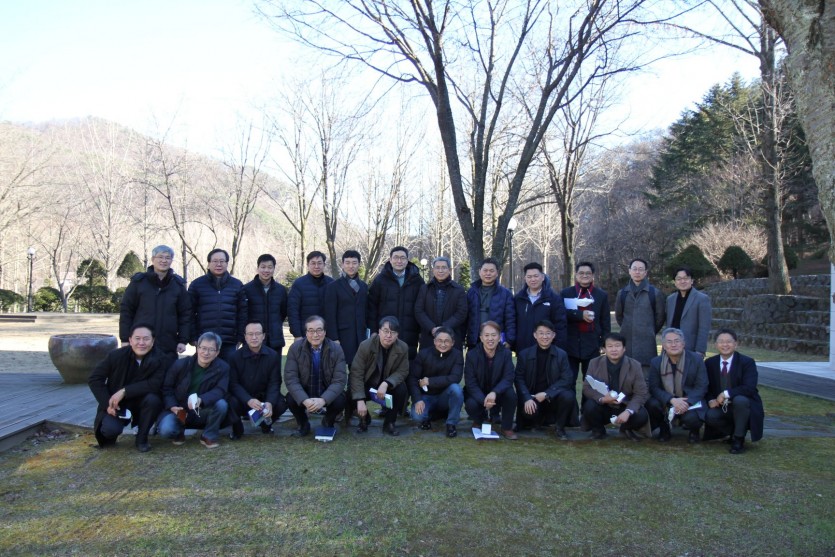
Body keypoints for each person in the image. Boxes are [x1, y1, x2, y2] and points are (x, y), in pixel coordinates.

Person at [88, 324, 164, 452]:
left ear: (153, 341)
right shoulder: (116, 356)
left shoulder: (161, 358)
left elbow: (155, 383)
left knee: (154, 400)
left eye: (146, 339)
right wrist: (107, 403)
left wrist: (125, 391)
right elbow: (95, 379)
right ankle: (111, 434)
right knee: (109, 430)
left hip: (143, 402)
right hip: (118, 404)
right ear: (130, 340)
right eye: (137, 338)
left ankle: (142, 438)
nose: (141, 343)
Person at [119, 245, 192, 370]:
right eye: (160, 257)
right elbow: (126, 311)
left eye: (167, 258)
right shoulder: (138, 282)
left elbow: (185, 314)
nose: (164, 261)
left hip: (168, 342)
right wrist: (125, 339)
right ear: (153, 259)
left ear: (171, 261)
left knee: (168, 376)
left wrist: (183, 340)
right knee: (140, 375)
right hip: (142, 342)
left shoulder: (178, 285)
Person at [157, 332, 230, 449]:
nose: (206, 353)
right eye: (203, 348)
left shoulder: (223, 368)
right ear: (197, 348)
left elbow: (220, 390)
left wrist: (202, 400)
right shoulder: (181, 364)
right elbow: (167, 388)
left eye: (211, 349)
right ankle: (179, 431)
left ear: (217, 352)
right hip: (179, 409)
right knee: (166, 430)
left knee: (222, 404)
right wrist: (172, 406)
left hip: (201, 409)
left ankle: (208, 435)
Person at [283, 315, 348, 437]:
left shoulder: (336, 349)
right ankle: (303, 424)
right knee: (291, 398)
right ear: (306, 333)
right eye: (311, 331)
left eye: (319, 330)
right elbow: (291, 379)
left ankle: (328, 421)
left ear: (325, 332)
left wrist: (323, 400)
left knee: (341, 399)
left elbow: (339, 380)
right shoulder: (295, 348)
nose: (315, 335)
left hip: (326, 391)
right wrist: (304, 399)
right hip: (305, 391)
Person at [704, 329, 765, 454]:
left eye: (729, 341)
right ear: (716, 345)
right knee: (710, 416)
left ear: (736, 344)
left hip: (744, 405)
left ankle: (738, 439)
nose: (725, 345)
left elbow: (749, 387)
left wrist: (725, 394)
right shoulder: (710, 363)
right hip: (722, 406)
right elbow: (706, 386)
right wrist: (710, 399)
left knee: (740, 400)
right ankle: (733, 432)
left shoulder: (747, 362)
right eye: (721, 341)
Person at [514, 320, 577, 440]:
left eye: (548, 333)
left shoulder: (561, 354)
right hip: (533, 398)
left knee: (568, 396)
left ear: (553, 335)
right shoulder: (524, 354)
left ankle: (560, 427)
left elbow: (567, 379)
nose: (545, 336)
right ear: (535, 335)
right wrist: (527, 398)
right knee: (529, 413)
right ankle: (536, 421)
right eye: (541, 333)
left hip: (552, 398)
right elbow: (519, 379)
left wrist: (547, 393)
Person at [349, 316, 410, 436]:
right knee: (351, 392)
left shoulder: (403, 347)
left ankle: (389, 423)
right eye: (385, 331)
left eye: (392, 332)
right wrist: (360, 399)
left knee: (401, 389)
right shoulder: (366, 346)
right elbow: (356, 373)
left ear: (397, 335)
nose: (388, 335)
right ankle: (364, 419)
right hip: (368, 383)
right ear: (379, 331)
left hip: (387, 385)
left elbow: (403, 371)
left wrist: (387, 383)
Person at [581, 333, 649, 441]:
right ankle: (598, 430)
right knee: (589, 406)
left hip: (625, 404)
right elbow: (586, 388)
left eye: (617, 346)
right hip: (604, 405)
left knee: (642, 415)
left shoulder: (635, 365)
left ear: (624, 348)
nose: (614, 349)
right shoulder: (594, 363)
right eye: (610, 346)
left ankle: (626, 429)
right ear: (604, 349)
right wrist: (603, 399)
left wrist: (628, 411)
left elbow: (641, 393)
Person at [226, 321, 287, 439]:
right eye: (250, 334)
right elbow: (233, 384)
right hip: (243, 399)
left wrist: (269, 402)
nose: (254, 337)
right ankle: (237, 429)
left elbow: (274, 382)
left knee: (281, 402)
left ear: (263, 336)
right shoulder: (234, 357)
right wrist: (248, 399)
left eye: (258, 333)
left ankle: (265, 424)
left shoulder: (273, 355)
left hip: (263, 399)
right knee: (229, 401)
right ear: (245, 337)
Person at [647, 328, 707, 443]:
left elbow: (702, 386)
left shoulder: (696, 360)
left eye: (677, 341)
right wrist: (671, 400)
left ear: (683, 343)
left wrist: (686, 403)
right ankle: (664, 429)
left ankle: (694, 431)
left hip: (689, 401)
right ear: (664, 345)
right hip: (668, 400)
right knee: (652, 404)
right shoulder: (656, 362)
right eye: (669, 342)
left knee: (691, 418)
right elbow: (654, 387)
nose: (673, 345)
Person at [188, 248, 247, 363]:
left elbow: (243, 313)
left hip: (229, 341)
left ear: (227, 263)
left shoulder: (237, 285)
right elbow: (188, 313)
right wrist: (193, 337)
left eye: (222, 261)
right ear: (209, 263)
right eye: (215, 261)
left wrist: (240, 337)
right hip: (204, 341)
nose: (218, 264)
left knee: (229, 371)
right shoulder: (197, 285)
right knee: (205, 371)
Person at [366, 246, 424, 359]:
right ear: (390, 259)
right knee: (385, 363)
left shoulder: (417, 280)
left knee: (407, 363)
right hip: (386, 333)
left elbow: (422, 307)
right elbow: (372, 307)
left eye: (402, 258)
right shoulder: (380, 280)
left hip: (410, 332)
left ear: (407, 260)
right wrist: (373, 330)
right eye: (396, 257)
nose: (399, 261)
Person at [464, 321, 518, 439]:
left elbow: (508, 377)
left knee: (511, 395)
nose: (490, 339)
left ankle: (506, 427)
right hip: (479, 392)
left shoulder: (506, 354)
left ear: (499, 337)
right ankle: (479, 420)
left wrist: (495, 392)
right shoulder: (472, 355)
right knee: (471, 404)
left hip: (498, 392)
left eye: (494, 335)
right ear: (481, 338)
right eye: (486, 335)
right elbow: (470, 382)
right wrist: (484, 400)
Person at [408, 327, 464, 438]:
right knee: (416, 416)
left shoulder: (457, 355)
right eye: (440, 340)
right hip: (426, 396)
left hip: (445, 395)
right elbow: (413, 378)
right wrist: (418, 399)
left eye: (446, 341)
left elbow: (455, 378)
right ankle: (432, 416)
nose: (443, 344)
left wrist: (430, 381)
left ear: (452, 342)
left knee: (456, 389)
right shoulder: (423, 354)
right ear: (434, 341)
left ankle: (451, 424)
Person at [560, 261, 610, 385]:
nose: (584, 275)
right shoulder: (566, 293)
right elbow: (560, 314)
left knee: (591, 383)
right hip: (570, 344)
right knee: (568, 382)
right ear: (576, 275)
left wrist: (604, 343)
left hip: (592, 344)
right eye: (581, 273)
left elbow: (605, 322)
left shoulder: (601, 295)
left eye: (588, 273)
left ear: (592, 275)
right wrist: (580, 315)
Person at [615, 258, 666, 378]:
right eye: (634, 269)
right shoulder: (622, 293)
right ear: (629, 271)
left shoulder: (654, 293)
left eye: (640, 269)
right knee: (626, 379)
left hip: (647, 345)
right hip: (627, 343)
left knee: (646, 380)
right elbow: (619, 316)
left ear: (645, 272)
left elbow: (660, 318)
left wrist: (649, 330)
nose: (637, 272)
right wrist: (629, 328)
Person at [323, 250, 368, 367]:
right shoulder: (333, 287)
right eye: (347, 263)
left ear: (359, 264)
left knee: (359, 369)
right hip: (342, 336)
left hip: (360, 336)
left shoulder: (364, 287)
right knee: (338, 369)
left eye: (354, 263)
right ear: (342, 264)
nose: (351, 266)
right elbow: (330, 315)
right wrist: (334, 338)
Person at [243, 253, 288, 368]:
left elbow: (283, 312)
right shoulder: (246, 289)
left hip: (275, 339)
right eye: (263, 267)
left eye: (269, 267)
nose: (266, 270)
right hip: (253, 340)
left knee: (274, 373)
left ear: (274, 269)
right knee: (252, 372)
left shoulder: (281, 290)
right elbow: (243, 314)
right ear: (257, 268)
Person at [415, 256, 468, 351]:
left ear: (449, 270)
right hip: (429, 337)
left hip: (451, 336)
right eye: (437, 267)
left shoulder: (458, 290)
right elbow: (419, 311)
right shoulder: (424, 289)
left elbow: (461, 312)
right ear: (433, 270)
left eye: (444, 267)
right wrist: (432, 328)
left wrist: (444, 328)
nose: (440, 271)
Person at [513, 262, 567, 354]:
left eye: (536, 276)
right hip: (523, 350)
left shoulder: (553, 299)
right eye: (529, 277)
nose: (533, 279)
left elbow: (560, 326)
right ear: (525, 278)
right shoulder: (518, 299)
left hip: (547, 349)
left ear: (542, 277)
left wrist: (557, 349)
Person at [465, 257, 516, 349]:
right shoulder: (471, 292)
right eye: (485, 270)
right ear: (479, 272)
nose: (488, 273)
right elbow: (466, 317)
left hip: (497, 342)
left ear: (497, 273)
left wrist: (509, 340)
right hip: (475, 341)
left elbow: (510, 319)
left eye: (491, 271)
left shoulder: (505, 294)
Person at [665, 266, 712, 357]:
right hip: (671, 348)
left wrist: (700, 350)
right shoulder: (670, 299)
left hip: (691, 348)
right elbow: (668, 325)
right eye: (679, 279)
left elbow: (704, 327)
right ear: (675, 282)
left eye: (686, 278)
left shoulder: (702, 299)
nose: (682, 281)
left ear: (692, 280)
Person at [288, 251, 335, 341]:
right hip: (305, 334)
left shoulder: (331, 283)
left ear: (324, 265)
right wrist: (297, 334)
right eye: (313, 263)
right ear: (307, 265)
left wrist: (335, 336)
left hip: (327, 335)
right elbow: (292, 311)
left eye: (319, 263)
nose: (316, 266)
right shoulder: (299, 284)